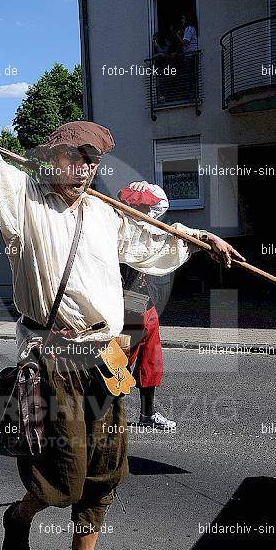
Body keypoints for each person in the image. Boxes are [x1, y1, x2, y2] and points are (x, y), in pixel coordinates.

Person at [0, 8, 244, 550]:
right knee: (62, 473)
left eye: (93, 158)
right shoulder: (20, 198)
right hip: (54, 357)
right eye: (74, 154)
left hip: (108, 355)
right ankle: (21, 513)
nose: (84, 165)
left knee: (108, 470)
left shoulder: (111, 214)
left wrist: (199, 240)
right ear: (53, 156)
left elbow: (154, 246)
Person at [119, 181, 175, 431]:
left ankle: (147, 414)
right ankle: (108, 415)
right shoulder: (121, 232)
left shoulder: (153, 232)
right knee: (117, 364)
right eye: (148, 210)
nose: (153, 215)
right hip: (126, 308)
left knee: (151, 362)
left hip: (148, 306)